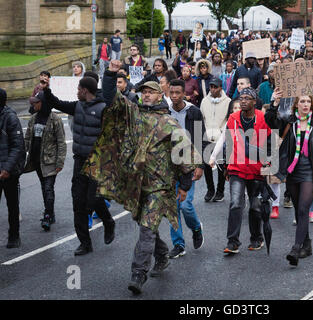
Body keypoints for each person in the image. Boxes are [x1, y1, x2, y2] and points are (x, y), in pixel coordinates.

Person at [86, 61, 197, 294]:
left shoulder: (170, 124)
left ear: (160, 96)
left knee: (147, 227)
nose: (146, 95)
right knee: (146, 224)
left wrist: (185, 185)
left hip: (160, 187)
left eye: (151, 92)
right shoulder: (133, 114)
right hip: (135, 184)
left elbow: (185, 155)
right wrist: (110, 73)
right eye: (144, 91)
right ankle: (162, 254)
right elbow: (110, 97)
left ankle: (138, 273)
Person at [41, 76, 116, 256]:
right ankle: (85, 243)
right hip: (80, 160)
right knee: (78, 202)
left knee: (94, 199)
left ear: (85, 90)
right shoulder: (77, 106)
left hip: (97, 162)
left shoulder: (103, 108)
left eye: (78, 89)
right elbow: (56, 103)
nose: (76, 92)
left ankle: (108, 221)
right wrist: (46, 90)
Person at [265, 88, 313, 266]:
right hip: (292, 171)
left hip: (310, 172)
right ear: (296, 104)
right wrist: (275, 103)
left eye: (308, 102)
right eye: (302, 101)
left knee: (303, 209)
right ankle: (307, 245)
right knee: (298, 209)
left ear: (312, 105)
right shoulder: (289, 121)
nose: (305, 104)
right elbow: (271, 122)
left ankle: (295, 248)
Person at [222, 87, 272, 254]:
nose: (242, 101)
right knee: (236, 203)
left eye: (247, 98)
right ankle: (232, 242)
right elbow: (228, 142)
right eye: (241, 98)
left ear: (254, 101)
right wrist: (226, 167)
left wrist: (269, 164)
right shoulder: (233, 118)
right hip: (237, 167)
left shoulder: (263, 118)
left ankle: (256, 238)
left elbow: (270, 142)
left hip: (257, 169)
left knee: (255, 206)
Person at [167, 79, 207, 259]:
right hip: (169, 166)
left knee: (185, 205)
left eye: (178, 93)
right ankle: (178, 244)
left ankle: (196, 227)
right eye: (172, 93)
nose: (174, 96)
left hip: (189, 164)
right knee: (172, 207)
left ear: (184, 93)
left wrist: (200, 165)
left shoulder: (193, 112)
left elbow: (201, 139)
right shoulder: (164, 112)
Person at [25, 92, 66, 231]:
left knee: (48, 188)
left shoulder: (55, 119)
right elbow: (27, 139)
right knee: (44, 187)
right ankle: (51, 212)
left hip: (50, 161)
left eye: (36, 102)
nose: (33, 104)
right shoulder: (33, 119)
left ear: (43, 102)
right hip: (36, 161)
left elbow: (61, 142)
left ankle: (47, 216)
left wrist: (60, 162)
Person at [0, 88, 26, 248]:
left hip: (9, 171)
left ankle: (14, 236)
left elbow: (17, 147)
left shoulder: (10, 117)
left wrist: (6, 169)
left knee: (12, 205)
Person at [200, 77, 231, 202]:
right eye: (211, 87)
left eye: (215, 87)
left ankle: (220, 191)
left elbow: (228, 119)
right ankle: (210, 190)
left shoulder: (228, 101)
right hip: (207, 138)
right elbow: (202, 118)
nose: (212, 89)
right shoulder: (204, 101)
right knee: (207, 167)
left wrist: (222, 133)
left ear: (220, 88)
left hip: (220, 138)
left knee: (220, 167)